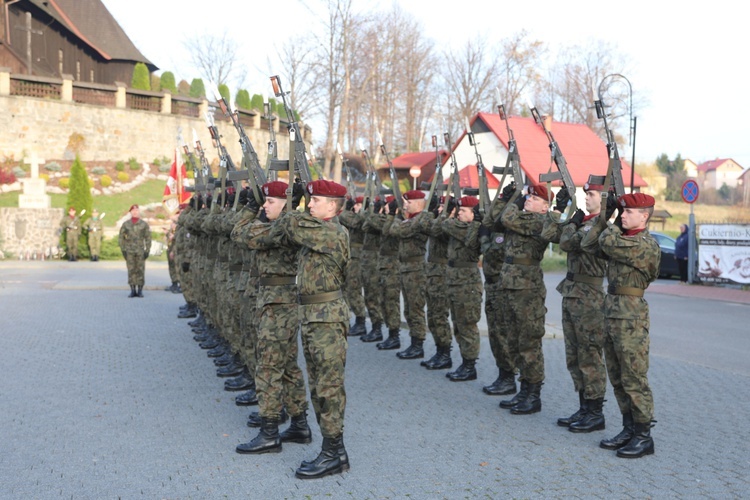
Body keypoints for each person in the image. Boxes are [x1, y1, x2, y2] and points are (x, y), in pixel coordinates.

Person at [251, 179, 350, 479]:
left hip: (327, 317)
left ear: (332, 206)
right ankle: (334, 450)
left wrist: (290, 200)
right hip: (313, 315)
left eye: (315, 200)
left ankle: (333, 452)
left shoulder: (331, 231)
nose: (310, 204)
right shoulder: (316, 230)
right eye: (309, 199)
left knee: (328, 387)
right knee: (319, 385)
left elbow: (291, 224)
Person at [581, 192, 660, 459]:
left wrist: (611, 222)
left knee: (633, 377)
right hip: (612, 312)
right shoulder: (622, 238)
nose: (623, 215)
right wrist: (604, 217)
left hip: (631, 317)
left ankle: (643, 435)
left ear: (644, 216)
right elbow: (589, 244)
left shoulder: (645, 244)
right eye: (621, 211)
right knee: (617, 377)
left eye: (627, 212)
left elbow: (606, 242)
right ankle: (629, 428)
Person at [236, 181, 310, 455]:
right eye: (264, 202)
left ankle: (269, 432)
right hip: (277, 302)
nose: (265, 206)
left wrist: (249, 209)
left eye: (270, 202)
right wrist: (256, 206)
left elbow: (241, 234)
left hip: (279, 306)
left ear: (286, 206)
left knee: (267, 367)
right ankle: (300, 424)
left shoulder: (282, 228)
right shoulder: (280, 225)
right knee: (288, 366)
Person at [542, 181, 609, 433]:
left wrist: (572, 222)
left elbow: (570, 243)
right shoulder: (582, 222)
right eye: (586, 194)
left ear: (603, 200)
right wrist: (558, 211)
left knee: (590, 355)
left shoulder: (601, 227)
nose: (586, 198)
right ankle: (583, 407)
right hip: (571, 293)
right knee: (575, 356)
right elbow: (549, 235)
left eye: (591, 194)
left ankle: (595, 412)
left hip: (590, 297)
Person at [497, 184, 550, 415]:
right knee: (515, 340)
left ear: (545, 207)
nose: (529, 199)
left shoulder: (539, 221)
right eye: (529, 196)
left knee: (529, 342)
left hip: (528, 289)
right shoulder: (523, 218)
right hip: (510, 284)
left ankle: (534, 394)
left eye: (534, 198)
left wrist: (516, 201)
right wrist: (507, 198)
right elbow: (495, 219)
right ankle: (523, 389)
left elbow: (507, 218)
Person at [440, 196, 483, 381]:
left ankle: (470, 365)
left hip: (468, 283)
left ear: (474, 214)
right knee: (458, 324)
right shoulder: (458, 227)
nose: (459, 213)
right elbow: (443, 225)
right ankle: (465, 362)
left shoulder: (475, 231)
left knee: (467, 325)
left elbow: (470, 240)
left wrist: (478, 223)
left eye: (464, 210)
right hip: (455, 281)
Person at [387, 190, 429, 360]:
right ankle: (414, 343)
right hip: (406, 267)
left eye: (408, 202)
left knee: (415, 308)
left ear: (419, 203)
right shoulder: (411, 219)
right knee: (409, 309)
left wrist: (398, 218)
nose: (405, 205)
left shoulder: (420, 220)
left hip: (416, 269)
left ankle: (418, 344)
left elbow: (396, 230)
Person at [118, 204, 151, 298]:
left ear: (139, 212)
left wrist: (147, 249)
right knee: (131, 270)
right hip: (130, 251)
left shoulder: (144, 224)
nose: (135, 212)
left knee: (140, 270)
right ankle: (132, 290)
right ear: (130, 212)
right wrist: (123, 249)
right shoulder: (126, 224)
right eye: (133, 211)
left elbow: (148, 238)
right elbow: (121, 237)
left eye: (136, 210)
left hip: (140, 250)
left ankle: (140, 290)